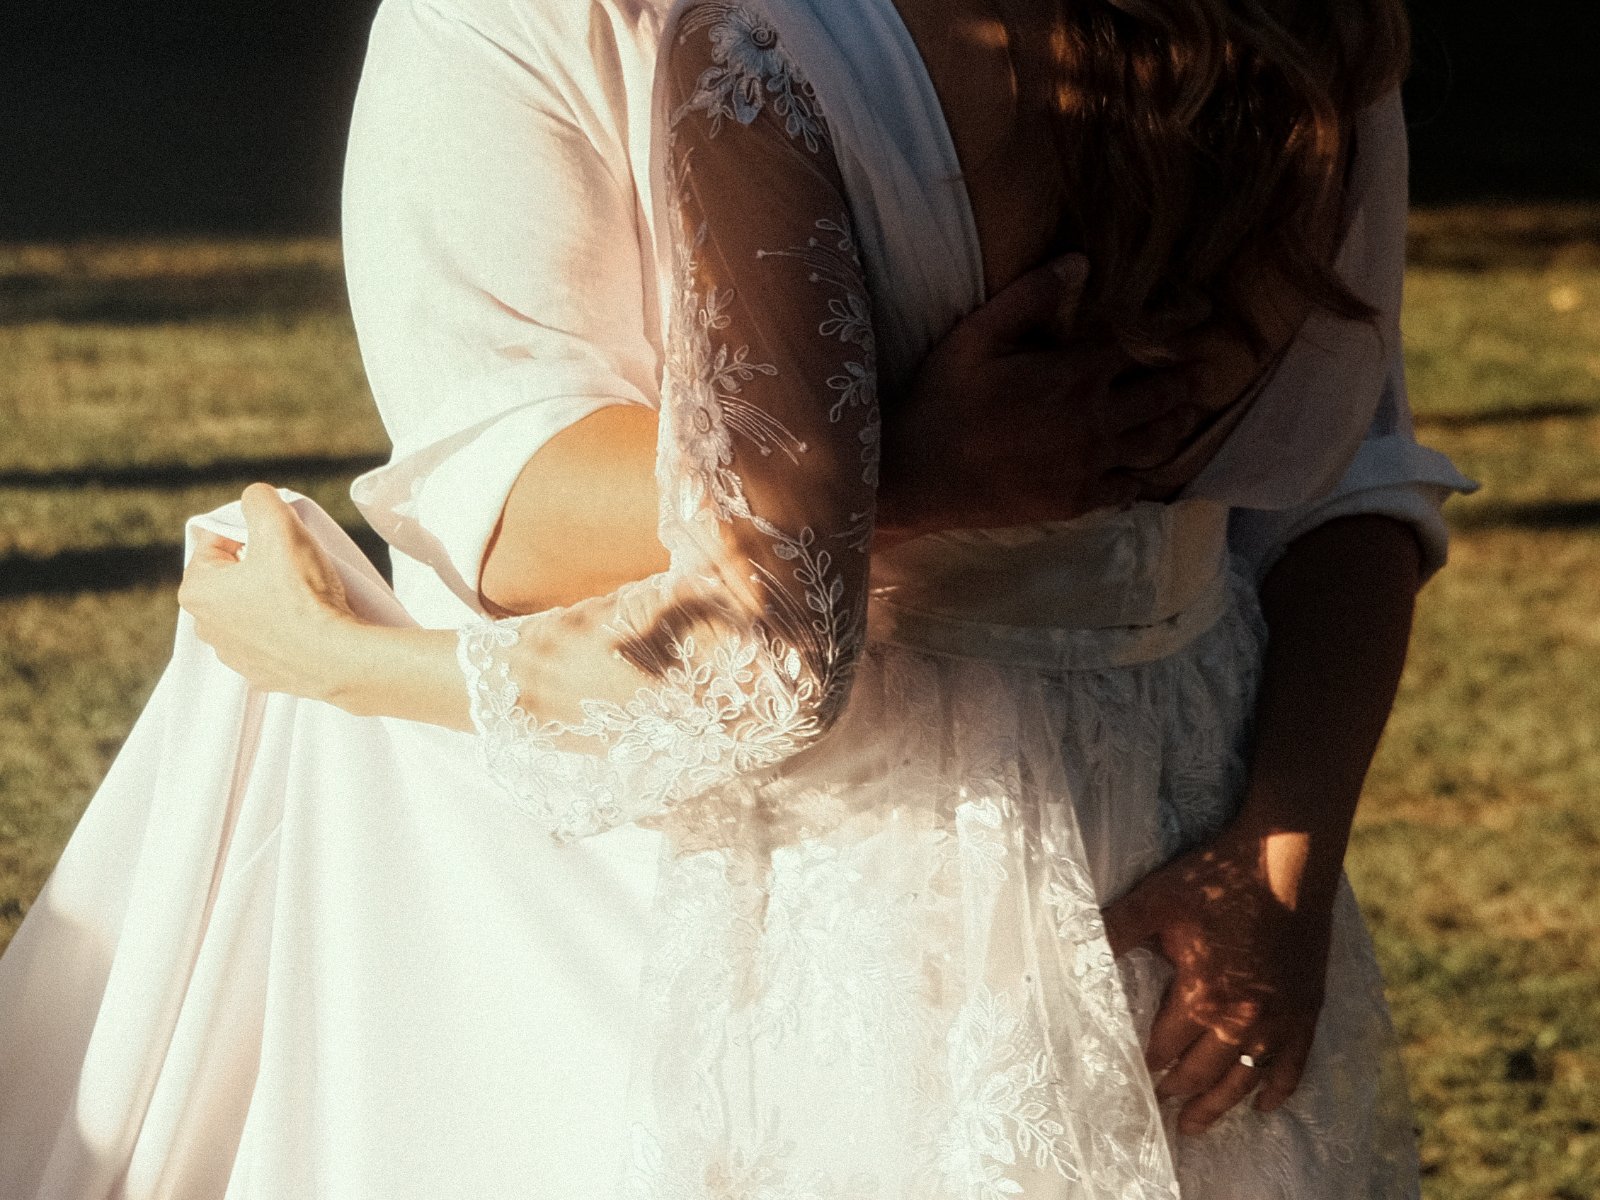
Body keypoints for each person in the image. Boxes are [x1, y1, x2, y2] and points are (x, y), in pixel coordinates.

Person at [0, 0, 1473, 1197]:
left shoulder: (783, 55)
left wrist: (1280, 858)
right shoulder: (509, 26)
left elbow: (1347, 485)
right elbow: (502, 492)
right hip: (646, 887)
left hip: (1141, 847)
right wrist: (915, 467)